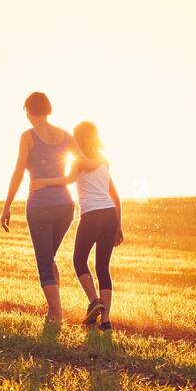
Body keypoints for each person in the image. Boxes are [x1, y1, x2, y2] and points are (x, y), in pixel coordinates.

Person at [0, 91, 82, 322]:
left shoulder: (28, 136)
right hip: (66, 206)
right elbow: (81, 162)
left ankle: (57, 315)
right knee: (49, 257)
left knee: (44, 262)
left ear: (28, 111)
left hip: (40, 207)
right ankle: (52, 311)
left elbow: (18, 172)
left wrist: (6, 206)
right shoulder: (65, 135)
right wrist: (63, 180)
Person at [56, 121, 123, 330]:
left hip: (91, 215)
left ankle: (94, 302)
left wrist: (44, 181)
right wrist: (119, 225)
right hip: (110, 215)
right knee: (103, 267)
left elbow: (67, 180)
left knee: (79, 260)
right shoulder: (105, 161)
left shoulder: (77, 162)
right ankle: (106, 322)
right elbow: (115, 196)